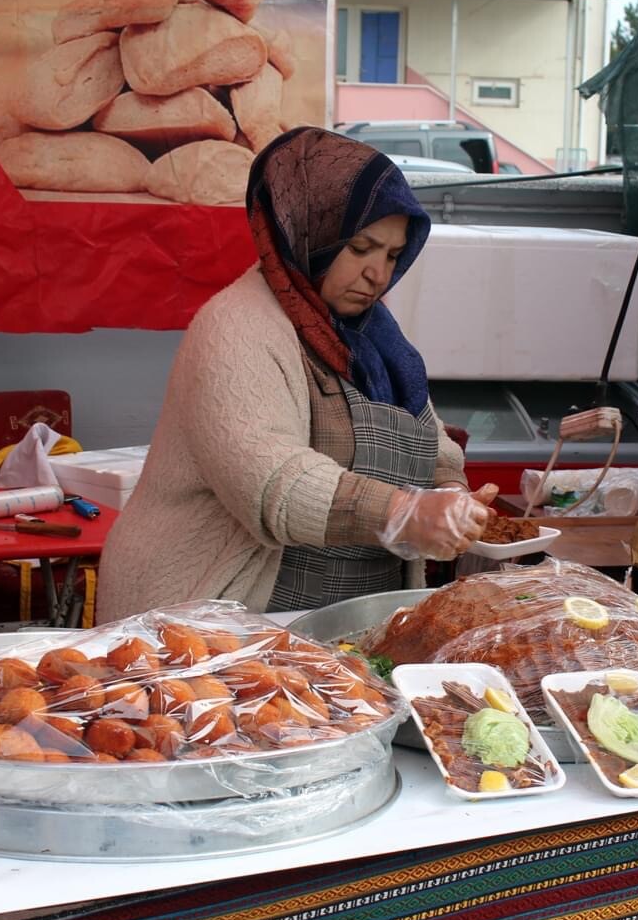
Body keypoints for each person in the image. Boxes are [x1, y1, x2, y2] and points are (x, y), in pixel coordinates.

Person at [97, 127, 496, 619]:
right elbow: (271, 482)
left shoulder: (379, 343)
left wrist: (451, 496)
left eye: (392, 255)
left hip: (343, 617)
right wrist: (401, 513)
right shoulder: (236, 327)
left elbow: (434, 445)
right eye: (361, 248)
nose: (379, 274)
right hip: (204, 619)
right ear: (309, 233)